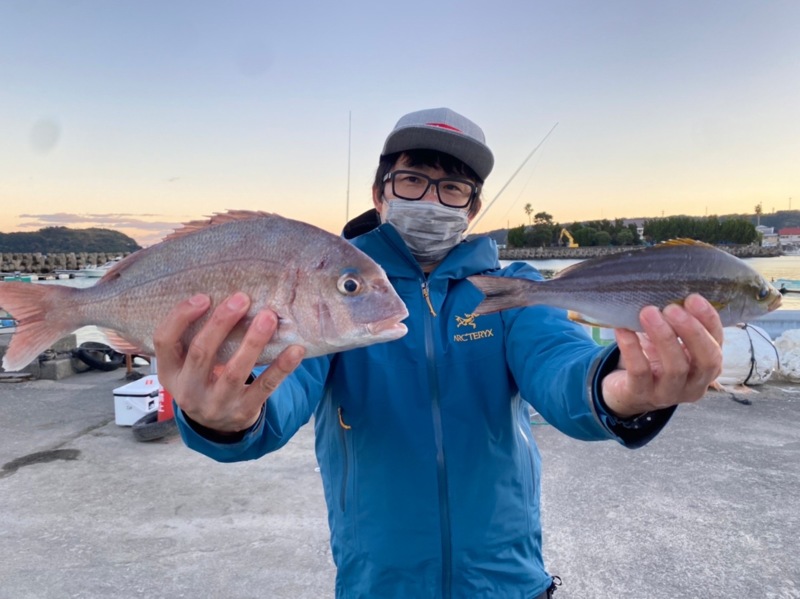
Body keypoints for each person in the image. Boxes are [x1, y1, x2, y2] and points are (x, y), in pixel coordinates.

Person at [155, 107, 723, 599]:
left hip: (507, 579)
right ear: (381, 193)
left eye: (452, 189)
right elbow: (285, 384)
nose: (432, 198)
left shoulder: (513, 291)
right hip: (377, 581)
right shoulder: (328, 296)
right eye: (412, 180)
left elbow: (560, 366)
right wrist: (229, 417)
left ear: (471, 209)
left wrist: (619, 387)